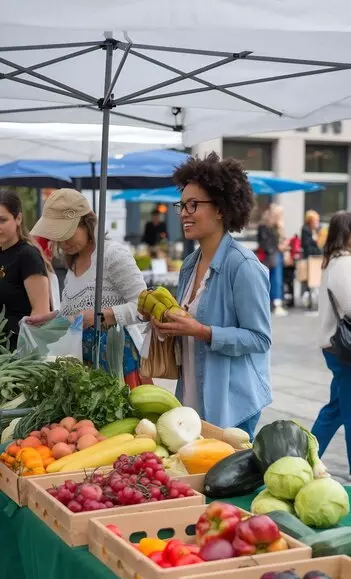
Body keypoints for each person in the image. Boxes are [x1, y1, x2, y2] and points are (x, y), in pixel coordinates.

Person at [151, 152, 272, 437]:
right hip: (192, 399)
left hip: (233, 406)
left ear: (220, 209)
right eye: (181, 205)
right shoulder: (190, 265)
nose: (183, 213)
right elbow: (189, 328)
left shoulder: (243, 266)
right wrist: (168, 327)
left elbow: (260, 338)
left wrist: (203, 331)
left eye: (193, 205)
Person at [30, 189, 147, 386]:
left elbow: (144, 306)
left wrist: (101, 316)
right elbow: (76, 315)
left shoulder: (111, 255)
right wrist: (52, 317)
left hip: (119, 363)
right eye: (58, 236)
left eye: (68, 233)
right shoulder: (72, 264)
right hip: (85, 366)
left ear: (87, 223)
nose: (63, 242)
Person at [311, 211, 351, 474]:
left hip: (335, 347)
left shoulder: (333, 262)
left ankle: (305, 456)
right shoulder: (343, 264)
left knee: (336, 409)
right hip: (343, 349)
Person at [0, 189, 51, 351]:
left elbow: (41, 312)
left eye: (2, 220)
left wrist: (25, 354)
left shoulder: (27, 255)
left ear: (18, 218)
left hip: (17, 355)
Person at [257, 204, 287, 316]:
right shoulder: (265, 227)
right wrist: (278, 247)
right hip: (270, 256)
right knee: (273, 280)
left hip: (274, 255)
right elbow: (265, 243)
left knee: (274, 280)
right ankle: (273, 303)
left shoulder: (275, 226)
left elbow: (280, 240)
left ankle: (275, 303)